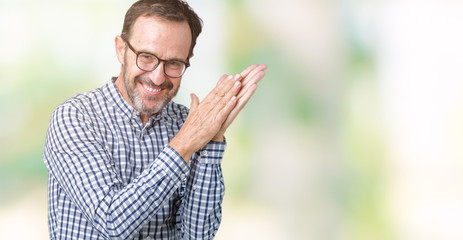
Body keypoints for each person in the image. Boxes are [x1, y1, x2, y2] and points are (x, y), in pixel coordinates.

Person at [42, 0, 266, 239]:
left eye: (174, 63)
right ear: (121, 49)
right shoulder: (75, 117)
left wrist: (212, 139)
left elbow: (196, 236)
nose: (158, 78)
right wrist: (185, 143)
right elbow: (110, 221)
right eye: (147, 57)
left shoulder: (190, 123)